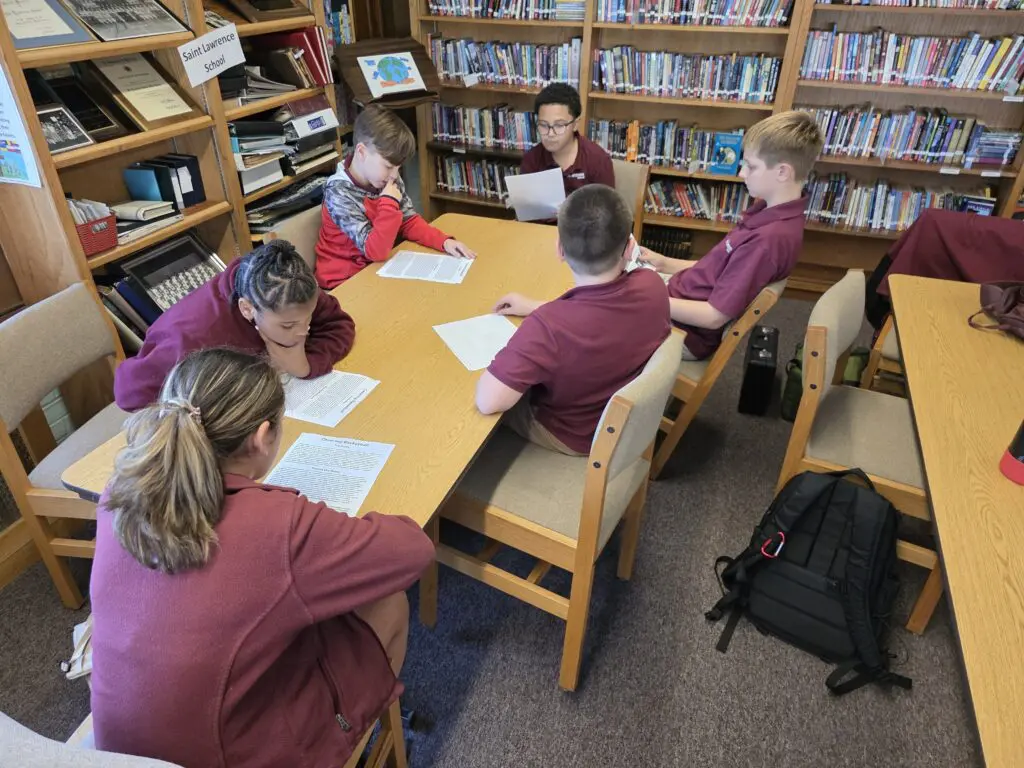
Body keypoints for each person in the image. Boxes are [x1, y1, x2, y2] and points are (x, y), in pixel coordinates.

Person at [91, 348, 435, 767]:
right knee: (388, 604)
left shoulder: (120, 489)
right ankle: (359, 738)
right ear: (262, 436)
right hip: (224, 755)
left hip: (120, 751)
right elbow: (413, 551)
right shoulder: (276, 524)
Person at [475, 184, 670, 456]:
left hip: (571, 435)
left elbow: (488, 401)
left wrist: (539, 318)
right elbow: (598, 315)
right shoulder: (652, 285)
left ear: (560, 250)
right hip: (621, 421)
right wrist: (535, 307)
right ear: (629, 248)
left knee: (466, 395)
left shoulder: (548, 328)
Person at [640, 110, 823, 360]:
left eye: (751, 166)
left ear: (782, 172)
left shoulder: (767, 241)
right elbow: (720, 269)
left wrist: (648, 300)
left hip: (684, 331)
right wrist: (665, 263)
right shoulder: (769, 213)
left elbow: (713, 317)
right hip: (677, 297)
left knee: (599, 310)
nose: (741, 173)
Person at [114, 240, 355, 412]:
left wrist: (307, 364)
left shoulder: (290, 289)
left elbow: (338, 324)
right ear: (247, 309)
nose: (303, 331)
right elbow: (129, 394)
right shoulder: (193, 337)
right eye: (288, 326)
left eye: (308, 318)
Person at [315, 104, 475, 288]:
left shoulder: (385, 178)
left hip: (378, 269)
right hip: (343, 283)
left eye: (398, 168)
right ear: (361, 152)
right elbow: (375, 251)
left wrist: (443, 241)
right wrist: (388, 203)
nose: (394, 175)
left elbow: (408, 221)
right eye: (388, 166)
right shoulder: (338, 193)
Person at [520, 83, 615, 197]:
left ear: (575, 124)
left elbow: (606, 206)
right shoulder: (531, 159)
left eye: (559, 125)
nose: (550, 134)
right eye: (543, 125)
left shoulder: (598, 161)